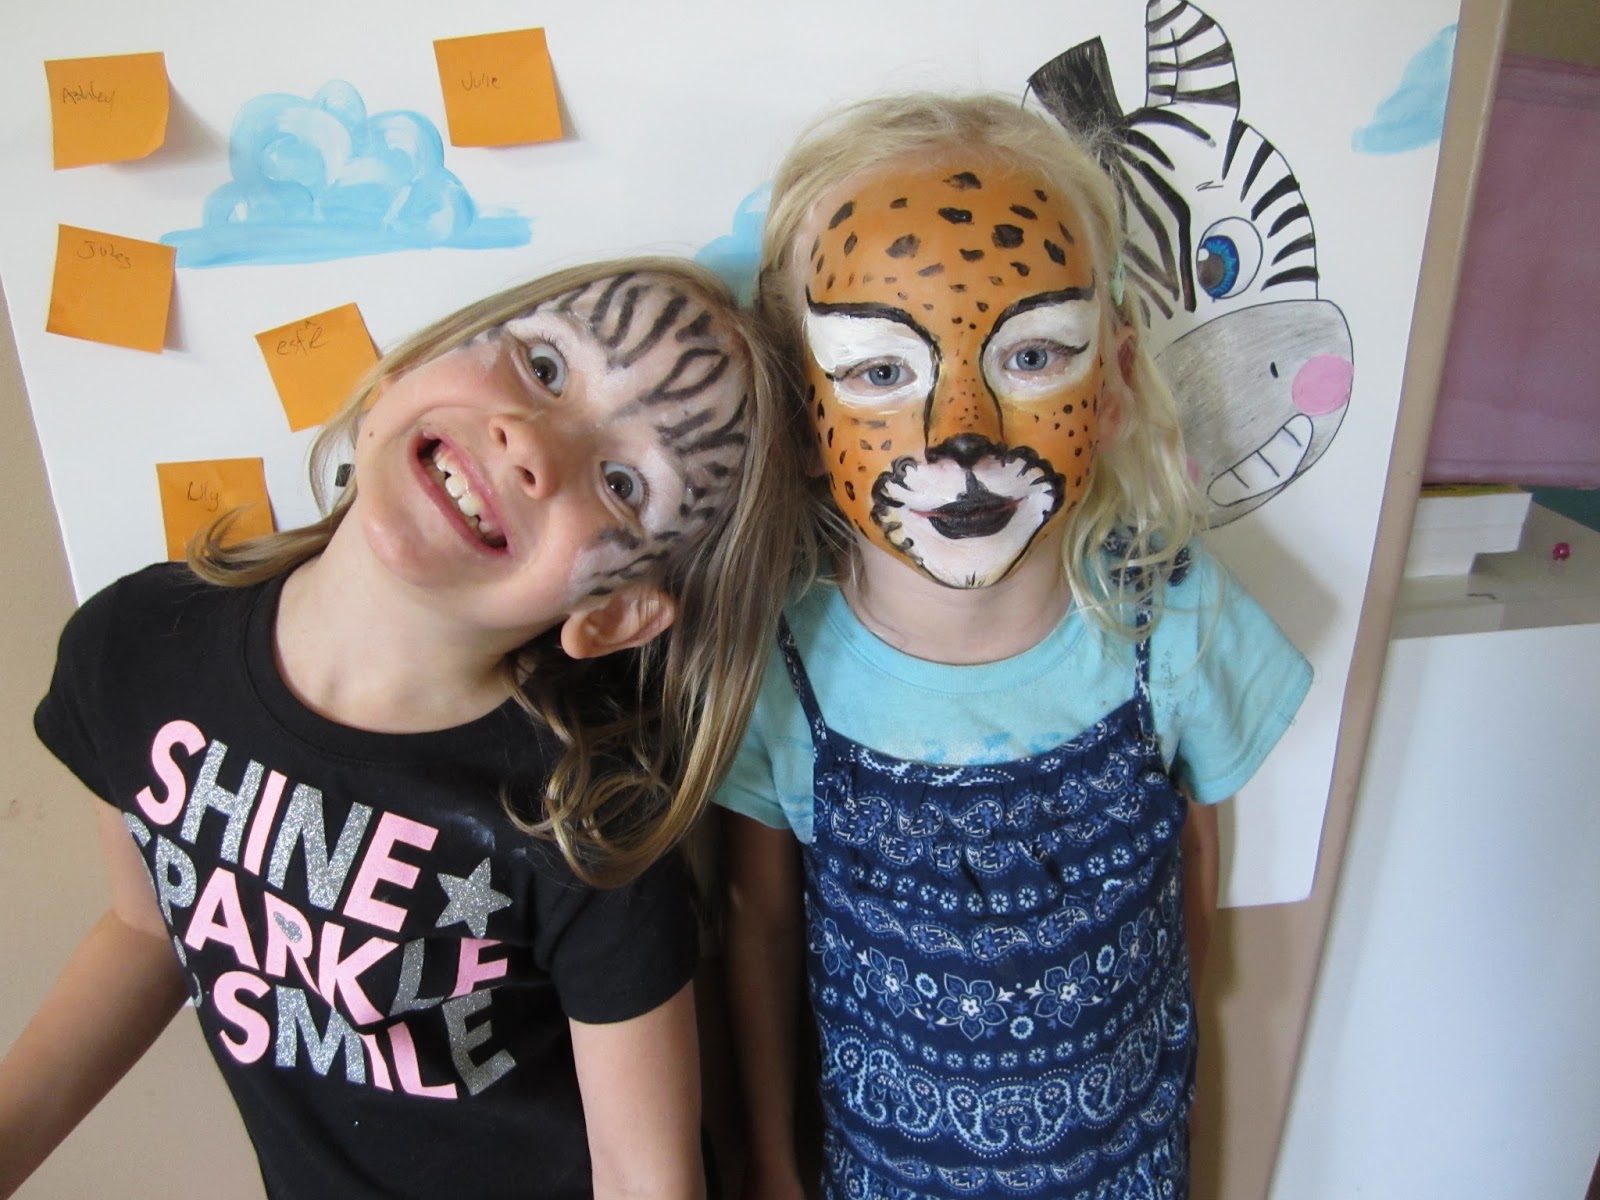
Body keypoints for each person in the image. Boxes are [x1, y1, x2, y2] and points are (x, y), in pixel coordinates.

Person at [0, 258, 806, 1200]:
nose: (531, 443)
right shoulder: (137, 647)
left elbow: (643, 1177)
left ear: (616, 613)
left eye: (624, 481)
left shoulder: (589, 823)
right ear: (409, 369)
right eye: (545, 366)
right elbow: (147, 933)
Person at [717, 95, 1314, 1200]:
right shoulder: (780, 669)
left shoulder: (1175, 617)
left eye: (1033, 355)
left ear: (1114, 385)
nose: (963, 434)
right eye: (880, 372)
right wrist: (770, 1158)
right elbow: (756, 923)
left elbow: (1191, 866)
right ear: (803, 417)